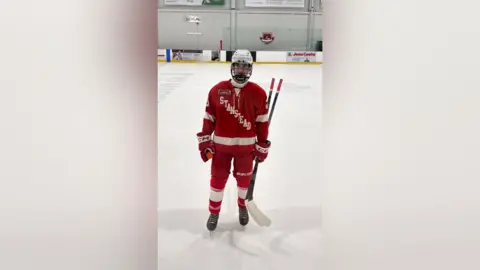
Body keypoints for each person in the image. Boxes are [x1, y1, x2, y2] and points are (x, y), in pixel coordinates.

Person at [196, 49, 271, 231]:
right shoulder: (217, 91)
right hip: (221, 150)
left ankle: (242, 207)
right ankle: (214, 213)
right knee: (217, 181)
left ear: (250, 69)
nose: (241, 71)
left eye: (245, 68)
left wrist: (262, 145)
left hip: (246, 150)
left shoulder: (259, 93)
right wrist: (206, 143)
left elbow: (262, 123)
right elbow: (209, 118)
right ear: (232, 67)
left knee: (244, 183)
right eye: (237, 66)